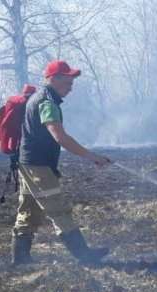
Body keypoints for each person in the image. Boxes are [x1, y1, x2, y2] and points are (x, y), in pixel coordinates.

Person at [11, 60, 112, 265]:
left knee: (29, 210)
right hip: (39, 167)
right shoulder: (48, 102)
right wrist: (93, 157)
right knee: (58, 210)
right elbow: (61, 138)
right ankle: (84, 256)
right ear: (54, 79)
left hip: (28, 164)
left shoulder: (40, 98)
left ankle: (20, 258)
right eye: (68, 80)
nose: (71, 86)